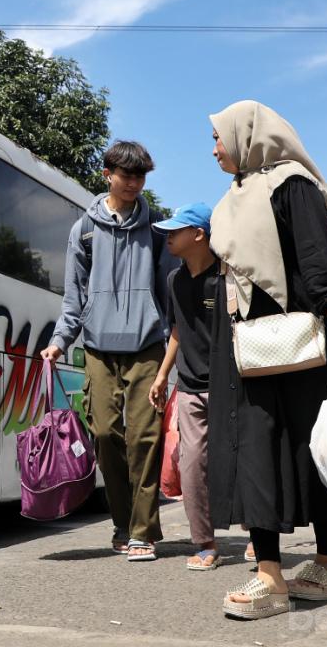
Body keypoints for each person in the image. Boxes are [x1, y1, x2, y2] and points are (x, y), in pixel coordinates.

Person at [205, 101, 327, 621]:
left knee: (309, 449)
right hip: (245, 345)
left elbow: (318, 257)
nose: (214, 148)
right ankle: (270, 575)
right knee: (254, 452)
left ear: (246, 135)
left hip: (297, 343)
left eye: (218, 137)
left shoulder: (292, 184)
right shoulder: (235, 196)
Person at [41, 140, 177, 562]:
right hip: (98, 347)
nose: (134, 183)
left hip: (147, 346)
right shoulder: (83, 229)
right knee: (104, 435)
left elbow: (168, 292)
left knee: (145, 438)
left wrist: (175, 346)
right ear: (108, 175)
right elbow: (74, 296)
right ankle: (121, 523)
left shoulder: (155, 228)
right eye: (127, 175)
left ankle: (142, 532)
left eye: (140, 176)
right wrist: (60, 340)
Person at [148, 202, 226, 571]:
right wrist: (164, 375)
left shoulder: (228, 276)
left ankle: (259, 538)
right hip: (190, 385)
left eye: (175, 230)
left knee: (241, 462)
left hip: (232, 385)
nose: (167, 236)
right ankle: (205, 542)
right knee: (192, 463)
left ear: (198, 234)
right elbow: (177, 329)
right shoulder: (174, 280)